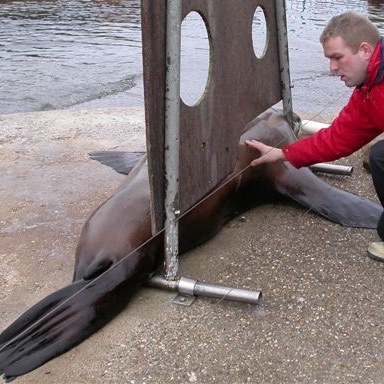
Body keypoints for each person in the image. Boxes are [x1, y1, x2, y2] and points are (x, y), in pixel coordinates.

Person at [246, 12, 384, 261]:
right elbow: (338, 138)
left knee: (380, 157)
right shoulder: (369, 88)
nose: (332, 68)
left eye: (337, 58)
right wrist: (282, 152)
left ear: (364, 50)